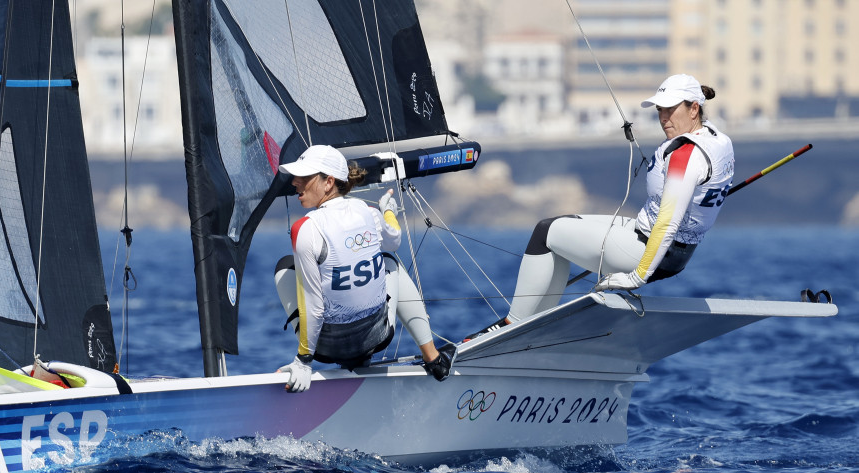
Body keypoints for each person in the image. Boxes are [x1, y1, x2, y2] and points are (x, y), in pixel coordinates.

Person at [484, 74, 735, 331]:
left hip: (650, 252)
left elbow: (667, 225)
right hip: (672, 251)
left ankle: (511, 325)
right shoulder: (718, 140)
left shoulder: (685, 156)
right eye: (660, 109)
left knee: (545, 232)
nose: (663, 118)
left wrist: (635, 278)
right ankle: (537, 322)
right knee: (564, 225)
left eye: (671, 109)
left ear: (694, 108)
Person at [273, 144, 455, 392]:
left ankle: (333, 360)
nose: (295, 182)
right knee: (389, 261)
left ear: (328, 182)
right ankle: (434, 359)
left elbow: (313, 306)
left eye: (304, 177)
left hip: (327, 350)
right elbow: (395, 240)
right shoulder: (369, 212)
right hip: (378, 337)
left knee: (284, 267)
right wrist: (387, 211)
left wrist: (304, 361)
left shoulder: (304, 229)